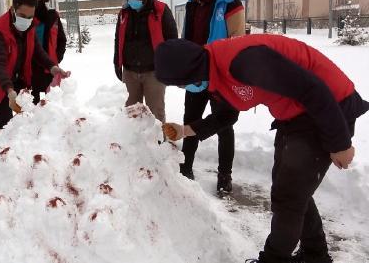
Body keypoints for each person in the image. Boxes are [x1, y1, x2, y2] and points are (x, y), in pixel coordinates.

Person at [154, 34, 368, 263]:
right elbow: (226, 115)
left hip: (329, 108)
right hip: (295, 116)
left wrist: (340, 143)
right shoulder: (213, 72)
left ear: (192, 71)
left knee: (289, 195)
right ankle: (315, 256)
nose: (182, 88)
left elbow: (313, 89)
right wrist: (185, 130)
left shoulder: (244, 61)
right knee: (290, 188)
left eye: (181, 83)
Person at [179, 0, 245, 193]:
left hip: (221, 77)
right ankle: (185, 168)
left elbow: (238, 42)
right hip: (196, 75)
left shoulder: (230, 3)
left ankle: (224, 175)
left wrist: (229, 73)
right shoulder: (192, 1)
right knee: (191, 123)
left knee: (224, 126)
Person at [0, 0, 70, 130]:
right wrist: (9, 91)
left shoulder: (29, 26)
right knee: (7, 124)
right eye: (22, 16)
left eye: (30, 17)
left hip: (16, 78)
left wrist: (52, 67)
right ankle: (5, 148)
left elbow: (38, 52)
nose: (26, 21)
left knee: (25, 118)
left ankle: (25, 147)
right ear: (12, 10)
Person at [113, 0, 178, 124]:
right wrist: (117, 62)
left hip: (154, 72)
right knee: (131, 113)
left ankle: (159, 144)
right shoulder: (124, 13)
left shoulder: (161, 10)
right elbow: (118, 39)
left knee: (156, 113)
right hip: (130, 71)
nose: (131, 0)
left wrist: (170, 67)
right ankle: (134, 144)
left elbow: (172, 41)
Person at [23, 0, 67, 104]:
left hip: (49, 67)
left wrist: (56, 57)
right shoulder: (23, 18)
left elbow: (61, 39)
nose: (36, 1)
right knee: (30, 105)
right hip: (29, 69)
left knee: (51, 106)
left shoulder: (52, 17)